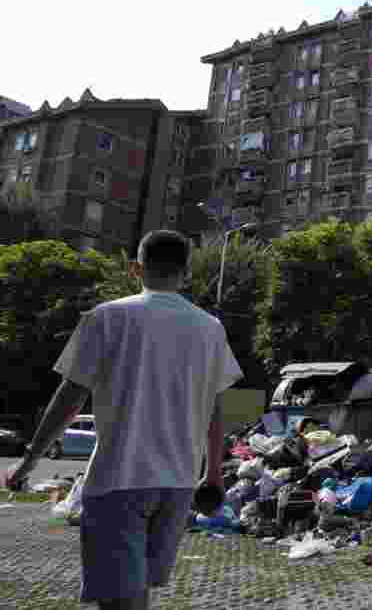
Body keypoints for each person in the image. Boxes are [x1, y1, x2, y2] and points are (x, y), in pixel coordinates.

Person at [3, 230, 243, 610]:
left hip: (120, 480)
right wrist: (213, 475)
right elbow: (215, 407)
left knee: (120, 600)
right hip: (177, 486)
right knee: (136, 593)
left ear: (136, 268)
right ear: (186, 272)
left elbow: (70, 396)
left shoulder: (108, 316)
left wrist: (30, 459)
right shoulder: (210, 329)